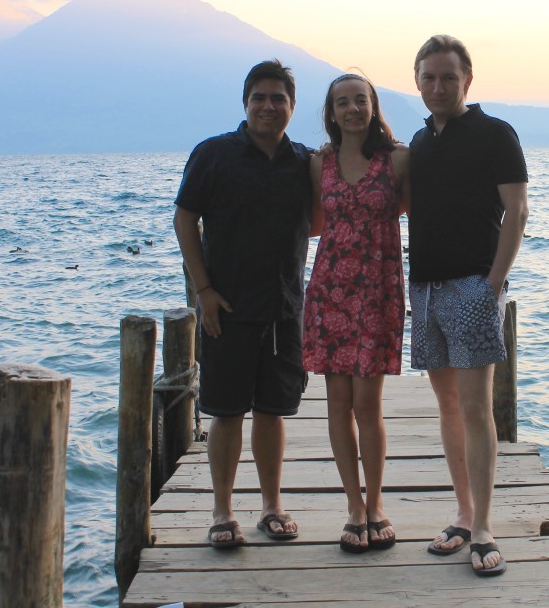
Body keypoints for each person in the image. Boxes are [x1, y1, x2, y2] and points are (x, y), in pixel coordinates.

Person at [173, 60, 311, 548]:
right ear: (245, 103)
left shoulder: (305, 162)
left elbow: (324, 214)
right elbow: (185, 220)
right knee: (226, 412)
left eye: (279, 98)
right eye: (259, 97)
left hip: (284, 307)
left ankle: (272, 506)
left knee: (273, 412)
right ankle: (222, 512)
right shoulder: (213, 155)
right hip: (226, 308)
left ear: (292, 107)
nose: (268, 106)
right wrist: (204, 291)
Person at [407, 35, 529, 576]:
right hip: (427, 287)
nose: (438, 86)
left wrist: (494, 285)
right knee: (448, 405)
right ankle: (462, 513)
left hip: (473, 286)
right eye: (429, 77)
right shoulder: (419, 141)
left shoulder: (495, 134)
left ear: (467, 80)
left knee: (477, 408)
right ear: (417, 81)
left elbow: (517, 211)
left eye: (448, 78)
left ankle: (483, 526)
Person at [302, 74, 409, 553]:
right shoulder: (318, 163)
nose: (351, 109)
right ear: (331, 112)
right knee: (337, 403)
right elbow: (313, 224)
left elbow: (417, 210)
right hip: (330, 290)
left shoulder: (398, 160)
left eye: (359, 100)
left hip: (378, 289)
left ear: (373, 105)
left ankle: (377, 504)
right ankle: (353, 507)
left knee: (369, 405)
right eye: (342, 102)